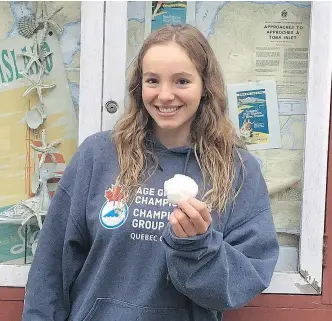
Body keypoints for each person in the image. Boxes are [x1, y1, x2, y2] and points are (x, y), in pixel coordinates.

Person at [22, 24, 279, 321]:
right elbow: (50, 271)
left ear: (206, 87)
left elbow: (237, 287)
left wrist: (197, 245)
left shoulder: (237, 170)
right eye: (153, 81)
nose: (165, 95)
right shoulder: (99, 155)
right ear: (138, 86)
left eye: (182, 81)